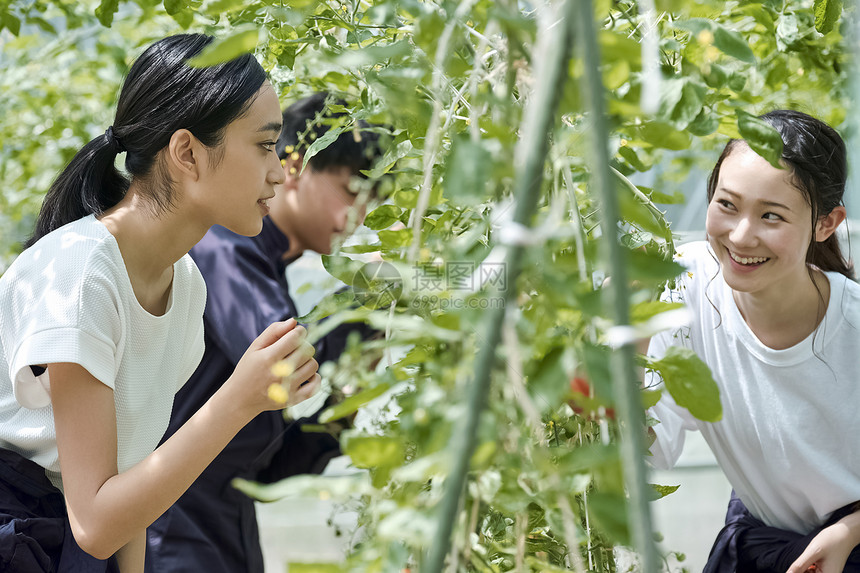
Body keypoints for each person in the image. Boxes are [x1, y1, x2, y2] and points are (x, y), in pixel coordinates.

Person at [0, 34, 321, 573]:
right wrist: (239, 399)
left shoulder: (185, 285)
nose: (281, 172)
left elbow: (129, 488)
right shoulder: (82, 274)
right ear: (187, 153)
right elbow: (96, 523)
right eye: (266, 145)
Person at [145, 92, 383, 573]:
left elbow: (271, 473)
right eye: (352, 190)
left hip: (222, 528)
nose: (358, 216)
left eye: (374, 201)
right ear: (294, 166)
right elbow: (281, 362)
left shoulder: (268, 270)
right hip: (169, 530)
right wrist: (375, 296)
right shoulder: (223, 247)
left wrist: (345, 400)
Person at [646, 109, 860, 573]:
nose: (741, 236)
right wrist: (628, 346)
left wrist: (849, 532)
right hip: (760, 544)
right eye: (727, 205)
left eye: (771, 215)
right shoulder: (683, 283)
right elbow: (645, 452)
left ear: (826, 224)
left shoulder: (854, 329)